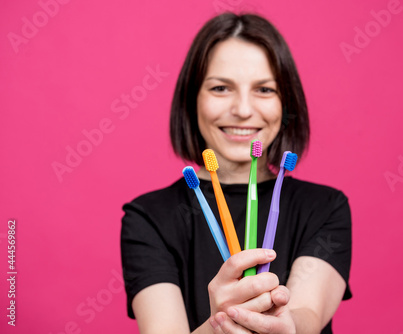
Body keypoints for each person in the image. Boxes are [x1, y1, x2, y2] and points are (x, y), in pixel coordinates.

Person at [121, 12, 352, 334]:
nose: (243, 110)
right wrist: (221, 326)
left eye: (265, 90)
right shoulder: (147, 218)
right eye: (220, 88)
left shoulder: (325, 208)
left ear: (286, 103)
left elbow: (307, 315)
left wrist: (285, 327)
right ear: (192, 101)